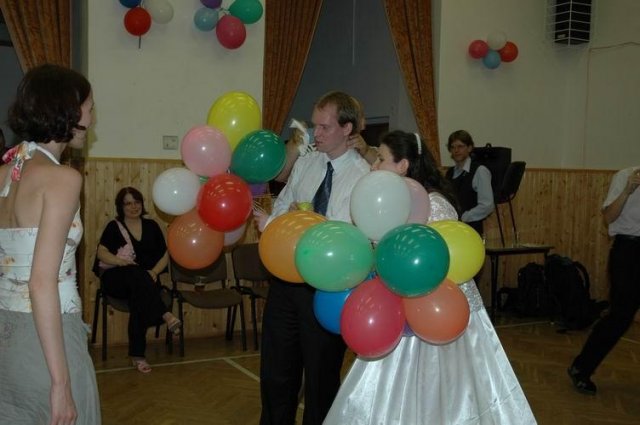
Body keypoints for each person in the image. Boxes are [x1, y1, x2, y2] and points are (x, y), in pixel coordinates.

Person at [324, 130, 536, 425]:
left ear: (403, 165)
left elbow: (433, 266)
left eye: (381, 159)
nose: (374, 165)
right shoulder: (390, 202)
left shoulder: (434, 204)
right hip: (400, 315)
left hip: (438, 314)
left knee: (442, 394)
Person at [254, 91, 370, 425]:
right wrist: (283, 219)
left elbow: (351, 235)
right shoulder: (306, 163)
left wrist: (305, 223)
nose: (315, 134)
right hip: (286, 282)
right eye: (314, 125)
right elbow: (280, 208)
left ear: (347, 128)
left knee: (321, 379)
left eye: (324, 127)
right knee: (276, 374)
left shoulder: (362, 176)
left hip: (327, 290)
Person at [0, 64, 101, 424]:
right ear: (69, 111)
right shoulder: (62, 179)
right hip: (47, 339)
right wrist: (61, 383)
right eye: (89, 108)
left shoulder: (5, 173)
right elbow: (41, 282)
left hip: (6, 340)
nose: (92, 118)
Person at [568, 166, 640, 395]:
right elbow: (609, 217)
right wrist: (627, 190)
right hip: (629, 250)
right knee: (620, 316)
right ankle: (581, 367)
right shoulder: (625, 176)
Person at [93, 186, 180, 373]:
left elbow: (165, 254)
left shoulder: (152, 226)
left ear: (142, 203)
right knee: (136, 274)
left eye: (137, 202)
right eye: (128, 204)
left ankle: (138, 356)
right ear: (121, 207)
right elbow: (101, 253)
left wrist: (155, 272)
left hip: (146, 280)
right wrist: (121, 262)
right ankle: (165, 314)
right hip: (116, 279)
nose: (133, 207)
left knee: (140, 295)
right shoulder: (114, 226)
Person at [445, 129, 494, 236]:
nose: (456, 150)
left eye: (460, 146)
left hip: (471, 231)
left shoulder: (480, 171)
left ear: (470, 148)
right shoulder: (449, 173)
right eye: (453, 147)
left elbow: (487, 205)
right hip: (452, 229)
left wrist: (464, 217)